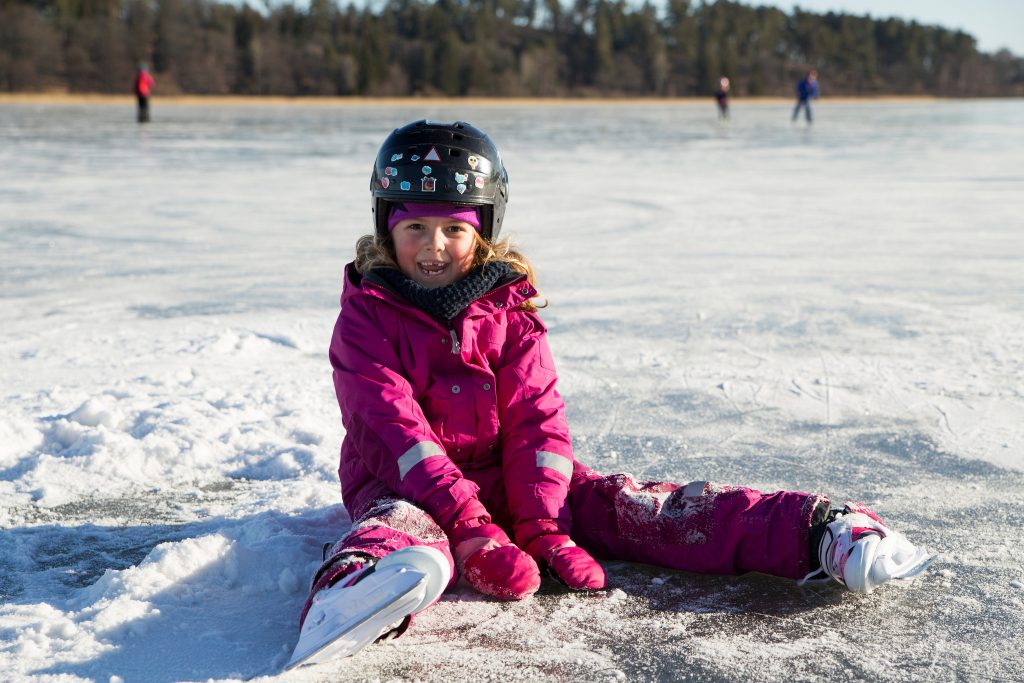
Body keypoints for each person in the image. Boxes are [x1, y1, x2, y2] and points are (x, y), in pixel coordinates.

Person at [291, 120, 934, 667]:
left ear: (482, 230)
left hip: (513, 481)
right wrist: (471, 529)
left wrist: (542, 524)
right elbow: (396, 435)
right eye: (415, 229)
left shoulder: (512, 314)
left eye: (453, 229)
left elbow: (537, 423)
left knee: (634, 508)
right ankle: (354, 590)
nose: (434, 248)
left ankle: (816, 530)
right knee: (407, 530)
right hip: (403, 482)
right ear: (386, 229)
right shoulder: (364, 320)